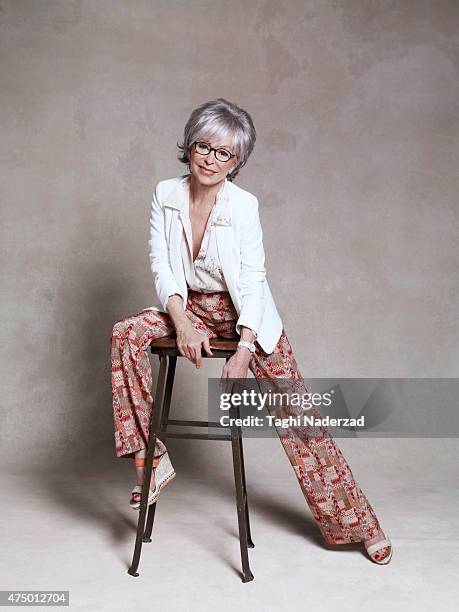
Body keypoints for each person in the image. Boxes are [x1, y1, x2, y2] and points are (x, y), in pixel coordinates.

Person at [110, 98, 392, 564]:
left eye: (225, 154)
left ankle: (358, 524)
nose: (211, 160)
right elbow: (162, 266)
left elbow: (255, 279)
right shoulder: (165, 194)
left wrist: (244, 349)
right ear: (190, 144)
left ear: (237, 161)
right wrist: (180, 320)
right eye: (204, 146)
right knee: (125, 333)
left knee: (300, 420)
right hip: (189, 308)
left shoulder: (244, 206)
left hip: (247, 316)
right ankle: (150, 461)